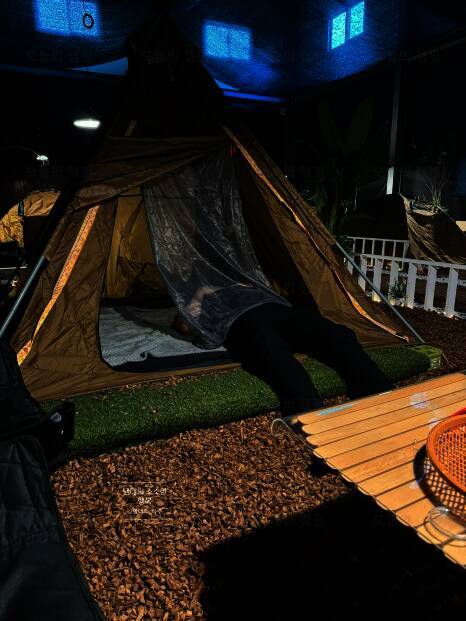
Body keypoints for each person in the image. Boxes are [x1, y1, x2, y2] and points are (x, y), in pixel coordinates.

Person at [171, 283, 394, 417]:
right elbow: (184, 325)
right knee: (271, 349)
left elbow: (259, 289)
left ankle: (383, 394)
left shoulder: (239, 279)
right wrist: (196, 303)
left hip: (274, 310)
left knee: (337, 334)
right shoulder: (195, 299)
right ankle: (311, 414)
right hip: (240, 321)